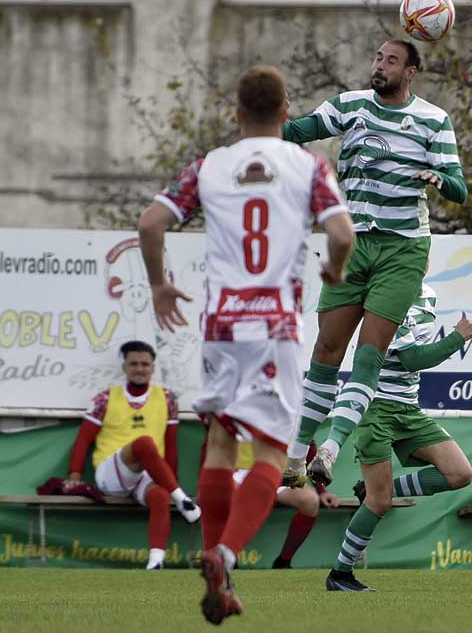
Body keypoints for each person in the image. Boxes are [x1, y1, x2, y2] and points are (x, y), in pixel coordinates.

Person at [138, 65, 354, 624]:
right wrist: (333, 270)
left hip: (222, 324)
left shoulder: (209, 167)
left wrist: (160, 285)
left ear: (236, 113)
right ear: (287, 112)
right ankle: (225, 553)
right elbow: (342, 234)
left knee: (218, 444)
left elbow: (150, 223)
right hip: (275, 326)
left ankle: (222, 572)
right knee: (272, 454)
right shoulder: (308, 165)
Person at [280, 39, 468, 488]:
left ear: (411, 72)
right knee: (326, 351)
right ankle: (294, 457)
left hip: (403, 249)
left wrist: (439, 177)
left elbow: (459, 188)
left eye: (391, 61)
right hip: (354, 242)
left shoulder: (433, 120)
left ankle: (330, 449)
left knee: (371, 353)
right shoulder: (350, 105)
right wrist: (274, 120)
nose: (379, 67)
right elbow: (297, 133)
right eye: (377, 58)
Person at [325, 283, 472, 592]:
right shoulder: (387, 295)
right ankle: (340, 574)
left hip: (408, 409)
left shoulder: (428, 295)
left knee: (460, 473)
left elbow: (411, 364)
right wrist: (458, 338)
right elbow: (411, 359)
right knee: (379, 502)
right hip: (375, 406)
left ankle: (374, 489)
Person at [64, 340, 200, 570]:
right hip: (111, 473)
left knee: (159, 496)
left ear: (153, 367)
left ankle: (155, 562)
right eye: (134, 364)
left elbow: (171, 444)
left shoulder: (167, 398)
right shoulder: (105, 398)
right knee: (144, 443)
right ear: (124, 367)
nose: (140, 369)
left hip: (146, 474)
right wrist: (75, 475)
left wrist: (168, 483)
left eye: (145, 364)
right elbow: (83, 439)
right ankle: (183, 500)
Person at [228, 439, 339, 569]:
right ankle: (229, 558)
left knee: (310, 501)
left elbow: (308, 445)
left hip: (283, 472)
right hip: (243, 472)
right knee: (227, 497)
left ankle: (283, 561)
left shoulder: (295, 419)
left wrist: (321, 491)